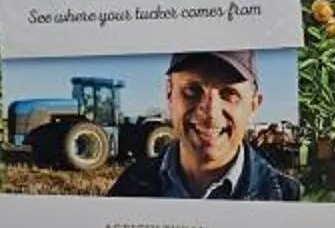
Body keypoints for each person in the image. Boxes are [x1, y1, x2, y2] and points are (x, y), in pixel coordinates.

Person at [109, 49, 303, 201]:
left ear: (253, 105)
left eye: (229, 94)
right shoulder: (131, 184)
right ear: (169, 94)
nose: (210, 114)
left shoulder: (289, 197)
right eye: (192, 90)